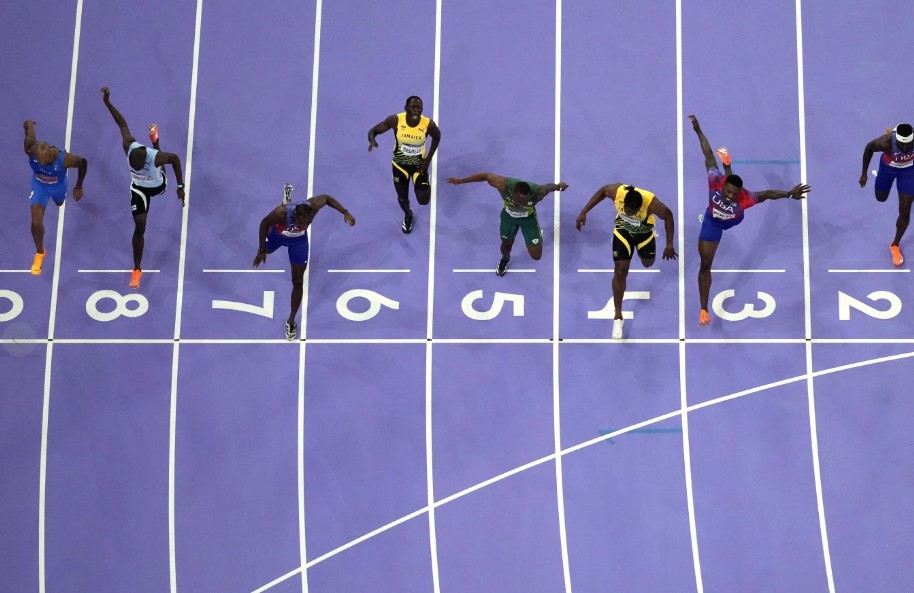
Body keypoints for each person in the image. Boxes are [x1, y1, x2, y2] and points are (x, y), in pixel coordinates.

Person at [689, 114, 810, 326]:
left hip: (733, 220)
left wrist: (790, 194)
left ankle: (728, 163)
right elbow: (707, 153)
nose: (728, 196)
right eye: (727, 191)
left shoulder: (745, 198)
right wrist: (698, 130)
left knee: (747, 205)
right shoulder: (715, 181)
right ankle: (703, 309)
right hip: (713, 222)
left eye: (732, 194)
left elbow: (768, 194)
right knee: (705, 264)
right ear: (723, 186)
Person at [101, 86, 185, 289]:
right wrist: (107, 102)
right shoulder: (128, 145)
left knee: (161, 161)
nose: (137, 167)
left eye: (140, 166)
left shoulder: (154, 158)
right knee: (140, 227)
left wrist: (180, 186)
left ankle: (155, 141)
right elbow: (121, 124)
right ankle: (137, 269)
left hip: (158, 185)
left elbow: (174, 159)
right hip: (139, 189)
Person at [576, 183, 677, 339]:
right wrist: (584, 211)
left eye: (633, 212)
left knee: (648, 263)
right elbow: (602, 191)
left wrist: (669, 244)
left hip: (644, 234)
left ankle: (646, 247)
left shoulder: (651, 203)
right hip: (622, 232)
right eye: (627, 211)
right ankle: (618, 318)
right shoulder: (618, 193)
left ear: (640, 207)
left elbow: (668, 215)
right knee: (620, 271)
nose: (629, 214)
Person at [253, 193, 356, 340]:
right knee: (269, 235)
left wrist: (345, 212)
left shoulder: (313, 206)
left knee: (298, 281)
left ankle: (291, 321)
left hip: (298, 242)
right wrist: (262, 250)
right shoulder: (281, 213)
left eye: (307, 224)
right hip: (278, 235)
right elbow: (263, 223)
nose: (303, 226)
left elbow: (326, 198)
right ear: (294, 216)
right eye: (301, 223)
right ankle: (284, 202)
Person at [445, 172, 568, 275]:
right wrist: (460, 181)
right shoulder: (503, 185)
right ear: (513, 193)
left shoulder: (538, 192)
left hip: (528, 219)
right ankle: (505, 259)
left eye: (525, 202)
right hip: (509, 218)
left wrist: (559, 186)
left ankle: (535, 235)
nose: (521, 205)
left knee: (536, 256)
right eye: (519, 201)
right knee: (506, 245)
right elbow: (486, 176)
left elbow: (549, 187)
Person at [367, 96, 441, 234]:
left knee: (424, 201)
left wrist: (428, 160)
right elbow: (374, 130)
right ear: (406, 108)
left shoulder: (428, 124)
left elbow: (437, 137)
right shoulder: (395, 120)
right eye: (413, 107)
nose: (416, 110)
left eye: (419, 107)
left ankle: (424, 181)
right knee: (402, 198)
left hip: (419, 166)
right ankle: (408, 215)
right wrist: (372, 140)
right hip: (400, 166)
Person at [23, 120, 88, 275]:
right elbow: (28, 129)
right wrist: (29, 123)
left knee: (59, 203)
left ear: (51, 154)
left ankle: (59, 199)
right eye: (38, 160)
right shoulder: (30, 149)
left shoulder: (64, 159)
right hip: (39, 186)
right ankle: (40, 253)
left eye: (44, 161)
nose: (41, 163)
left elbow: (83, 162)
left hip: (58, 186)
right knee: (36, 223)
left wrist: (79, 186)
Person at [859, 122, 914, 266]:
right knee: (881, 197)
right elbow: (868, 148)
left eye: (908, 145)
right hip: (887, 170)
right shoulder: (885, 142)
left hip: (908, 173)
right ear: (896, 140)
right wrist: (864, 173)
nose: (905, 148)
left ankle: (895, 245)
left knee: (905, 208)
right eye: (902, 145)